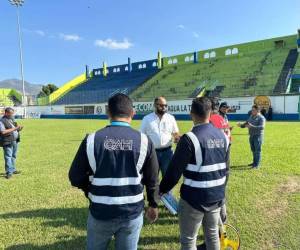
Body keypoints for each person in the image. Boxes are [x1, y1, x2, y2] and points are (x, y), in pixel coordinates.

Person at [69, 93, 159, 250]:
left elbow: (75, 176)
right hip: (132, 212)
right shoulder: (144, 141)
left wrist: (90, 190)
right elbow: (152, 179)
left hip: (100, 210)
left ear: (108, 113)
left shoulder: (91, 140)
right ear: (132, 113)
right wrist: (153, 204)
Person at [160, 97, 229, 250]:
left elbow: (173, 172)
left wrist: (162, 189)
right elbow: (226, 170)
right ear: (210, 113)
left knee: (188, 239)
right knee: (212, 235)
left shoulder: (189, 138)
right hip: (216, 196)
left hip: (193, 199)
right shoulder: (223, 136)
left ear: (191, 114)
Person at [140, 96, 180, 177]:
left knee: (168, 177)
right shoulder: (147, 119)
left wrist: (177, 138)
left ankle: (168, 190)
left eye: (165, 105)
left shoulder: (171, 118)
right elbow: (142, 136)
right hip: (152, 153)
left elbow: (176, 133)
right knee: (152, 178)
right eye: (161, 105)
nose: (164, 107)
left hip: (168, 153)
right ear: (155, 105)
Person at [237, 104, 266, 169]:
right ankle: (254, 162)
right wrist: (241, 125)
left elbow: (262, 127)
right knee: (253, 150)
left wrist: (251, 126)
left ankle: (257, 165)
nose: (252, 111)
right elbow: (246, 123)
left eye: (253, 110)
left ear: (258, 110)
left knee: (257, 151)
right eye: (252, 110)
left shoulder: (261, 118)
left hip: (258, 136)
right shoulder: (251, 116)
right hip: (251, 136)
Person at [0, 107, 23, 179]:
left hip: (15, 140)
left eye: (13, 113)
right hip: (7, 141)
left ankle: (13, 169)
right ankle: (9, 172)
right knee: (8, 157)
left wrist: (19, 129)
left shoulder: (12, 119)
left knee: (14, 156)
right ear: (6, 113)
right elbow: (3, 132)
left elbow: (15, 129)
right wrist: (15, 128)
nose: (12, 115)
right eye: (11, 114)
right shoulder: (1, 121)